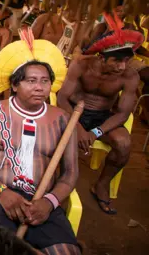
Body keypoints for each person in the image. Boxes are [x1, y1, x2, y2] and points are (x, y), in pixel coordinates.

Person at [0, 29, 80, 255]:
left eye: (45, 81)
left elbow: (70, 172)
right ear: (14, 85)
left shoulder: (63, 119)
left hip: (41, 202)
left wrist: (49, 202)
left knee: (66, 252)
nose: (39, 87)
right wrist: (1, 191)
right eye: (31, 81)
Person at [57, 14, 143, 215]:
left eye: (127, 61)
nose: (122, 66)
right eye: (116, 61)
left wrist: (95, 132)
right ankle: (57, 186)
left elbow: (122, 114)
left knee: (123, 144)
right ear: (102, 57)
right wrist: (77, 126)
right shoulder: (81, 64)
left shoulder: (130, 76)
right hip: (73, 112)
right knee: (56, 140)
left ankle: (101, 185)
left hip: (102, 117)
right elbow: (62, 99)